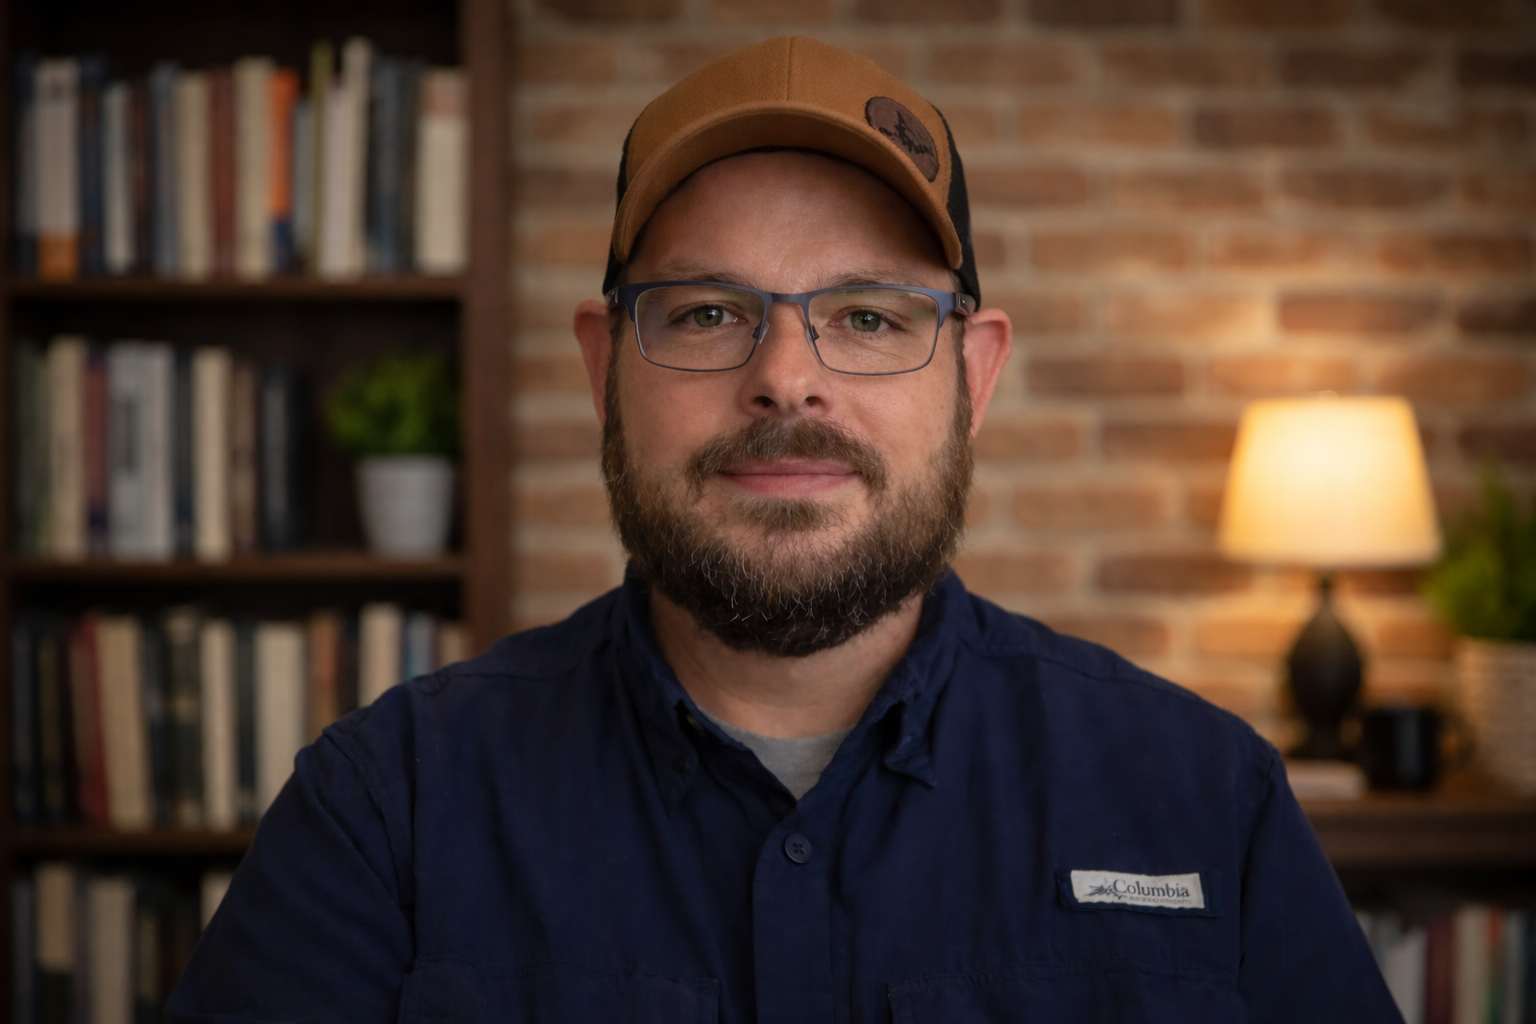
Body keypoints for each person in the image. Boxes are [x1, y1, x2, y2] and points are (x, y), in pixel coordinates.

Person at [169, 36, 1402, 1022]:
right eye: (709, 313)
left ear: (974, 377)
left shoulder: (1201, 798)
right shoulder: (388, 808)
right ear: (604, 369)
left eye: (867, 318)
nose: (787, 380)